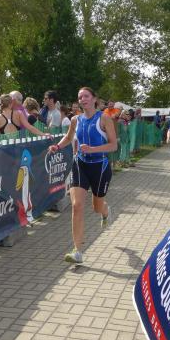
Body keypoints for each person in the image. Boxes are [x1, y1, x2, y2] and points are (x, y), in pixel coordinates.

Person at [48, 86, 118, 264]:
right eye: (80, 97)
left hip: (100, 167)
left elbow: (113, 145)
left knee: (96, 207)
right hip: (80, 164)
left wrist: (93, 149)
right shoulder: (75, 119)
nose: (83, 99)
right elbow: (69, 138)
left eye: (86, 96)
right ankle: (77, 251)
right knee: (77, 205)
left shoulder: (104, 118)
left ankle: (105, 211)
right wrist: (57, 146)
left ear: (94, 99)